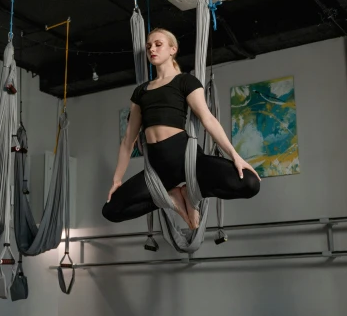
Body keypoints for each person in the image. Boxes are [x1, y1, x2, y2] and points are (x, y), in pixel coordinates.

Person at [102, 27, 261, 229]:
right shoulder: (141, 91)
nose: (152, 49)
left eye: (158, 45)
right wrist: (117, 179)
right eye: (149, 46)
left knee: (250, 184)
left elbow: (208, 119)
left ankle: (191, 192)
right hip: (158, 170)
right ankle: (170, 197)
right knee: (111, 210)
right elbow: (127, 141)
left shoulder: (184, 81)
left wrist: (234, 155)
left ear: (172, 49)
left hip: (188, 159)